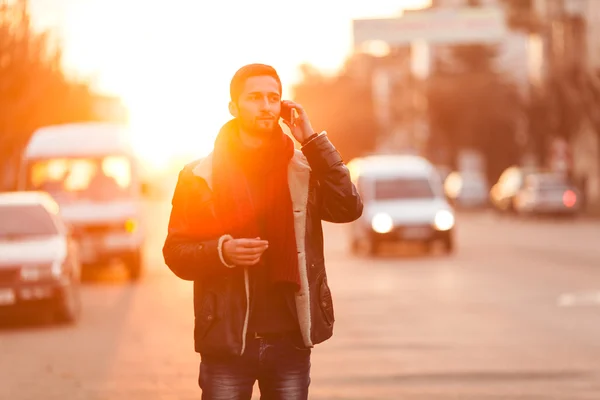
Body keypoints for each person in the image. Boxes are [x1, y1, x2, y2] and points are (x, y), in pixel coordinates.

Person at [163, 63, 363, 400]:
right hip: (228, 342)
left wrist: (312, 141)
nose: (266, 106)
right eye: (255, 97)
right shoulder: (199, 175)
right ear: (233, 107)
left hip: (289, 341)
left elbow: (348, 207)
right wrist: (222, 252)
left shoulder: (302, 169)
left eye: (274, 97)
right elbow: (175, 252)